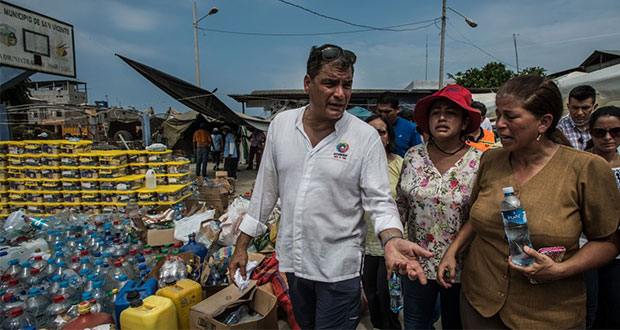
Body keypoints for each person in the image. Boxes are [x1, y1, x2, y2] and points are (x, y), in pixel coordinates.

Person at [227, 44, 432, 330]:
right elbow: (264, 193)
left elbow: (380, 201)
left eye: (346, 85)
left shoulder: (364, 137)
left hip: (339, 270)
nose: (340, 93)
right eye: (330, 83)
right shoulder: (281, 126)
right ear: (308, 84)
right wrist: (241, 247)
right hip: (294, 265)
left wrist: (391, 239)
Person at [437, 75, 620, 329]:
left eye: (510, 117)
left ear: (544, 122)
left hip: (547, 313)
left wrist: (562, 270)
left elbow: (607, 242)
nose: (499, 124)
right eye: (498, 115)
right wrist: (453, 250)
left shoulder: (586, 168)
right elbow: (477, 216)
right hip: (480, 303)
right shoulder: (491, 160)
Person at [397, 84, 483, 329]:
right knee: (415, 323)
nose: (442, 118)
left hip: (461, 265)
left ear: (465, 123)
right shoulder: (413, 156)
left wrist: (453, 252)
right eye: (436, 112)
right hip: (416, 263)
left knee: (456, 324)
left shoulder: (479, 161)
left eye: (451, 113)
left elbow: (480, 216)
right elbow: (400, 205)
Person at [362, 114, 403, 330]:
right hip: (364, 244)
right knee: (371, 295)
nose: (376, 136)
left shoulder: (399, 164)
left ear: (389, 136)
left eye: (381, 131)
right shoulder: (356, 165)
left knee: (385, 294)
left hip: (390, 242)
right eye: (370, 132)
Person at [584, 106, 620, 329]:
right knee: (591, 310)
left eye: (615, 131)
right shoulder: (581, 164)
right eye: (600, 132)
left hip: (617, 250)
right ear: (591, 133)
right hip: (587, 246)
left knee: (615, 308)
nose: (607, 137)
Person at [376, 91, 422, 157]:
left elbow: (418, 154)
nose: (383, 115)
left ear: (397, 109)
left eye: (387, 112)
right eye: (380, 111)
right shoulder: (370, 127)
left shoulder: (411, 129)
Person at [557, 85, 598, 150]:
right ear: (568, 107)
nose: (580, 113)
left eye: (585, 108)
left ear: (594, 107)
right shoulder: (558, 127)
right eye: (575, 108)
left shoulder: (600, 126)